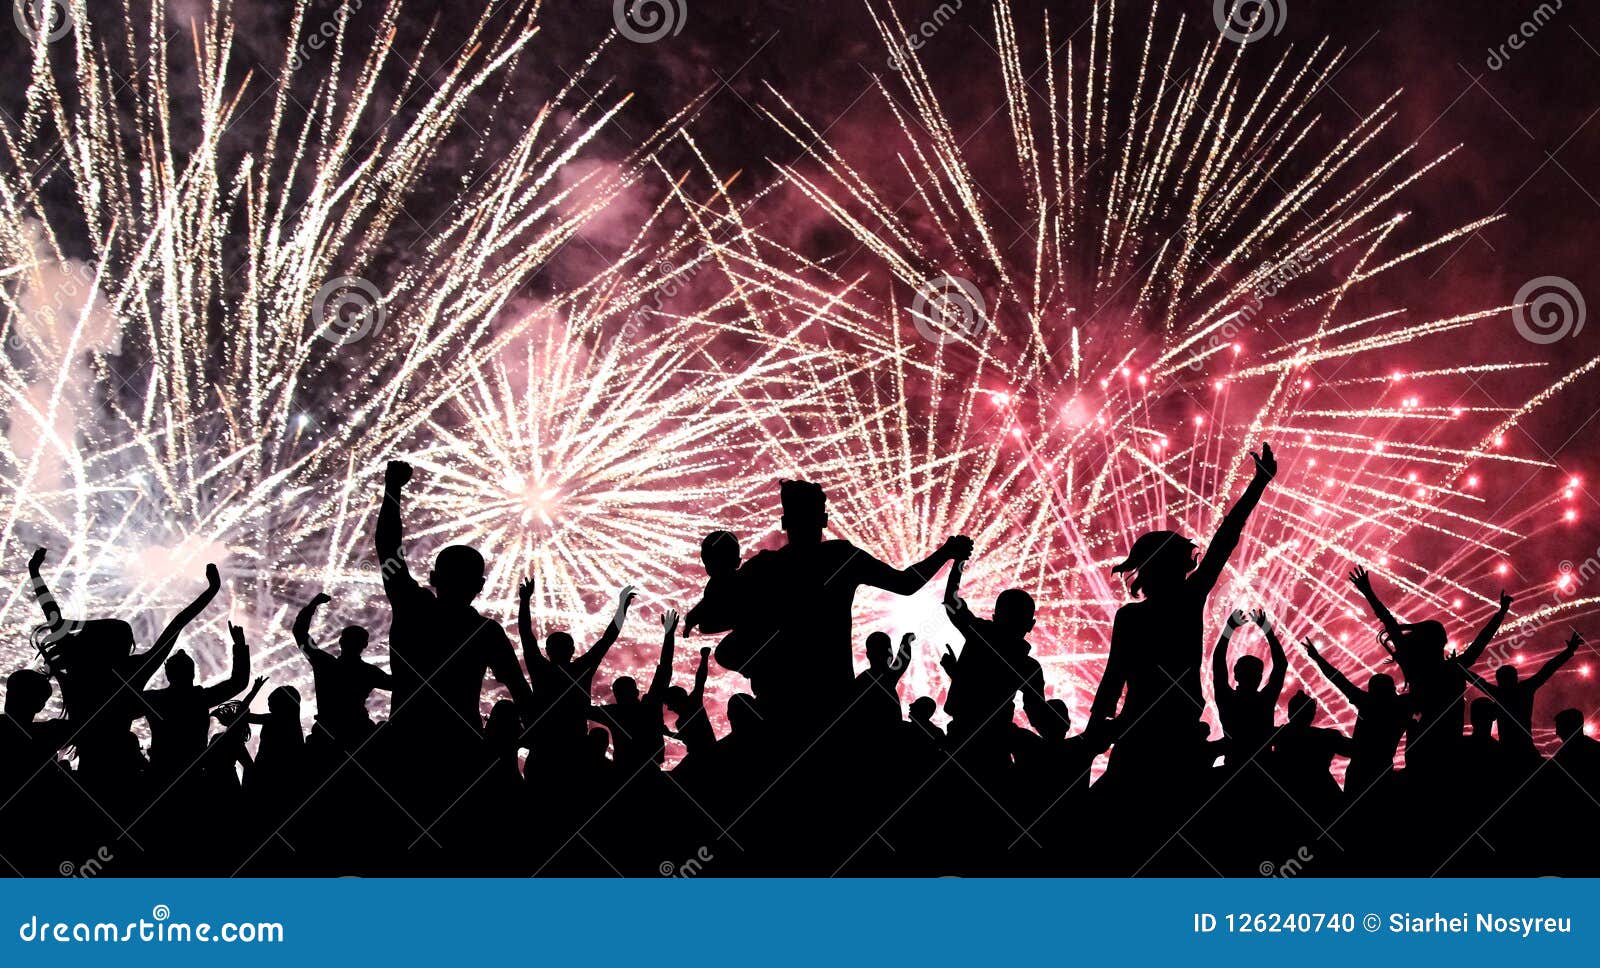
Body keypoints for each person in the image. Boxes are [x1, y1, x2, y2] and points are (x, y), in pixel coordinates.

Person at [1091, 443, 1278, 786]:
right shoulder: (1188, 600)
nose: (1189, 567)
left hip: (1139, 734)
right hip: (1175, 736)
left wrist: (1092, 735)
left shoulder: (1132, 616)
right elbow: (1225, 539)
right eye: (1182, 561)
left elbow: (1112, 682)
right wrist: (1258, 485)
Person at [715, 479, 971, 727]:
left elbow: (719, 626)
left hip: (780, 701)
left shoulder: (764, 567)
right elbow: (905, 583)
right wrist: (946, 553)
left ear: (785, 522)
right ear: (823, 521)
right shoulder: (842, 557)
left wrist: (758, 663)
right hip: (833, 698)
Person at [376, 460, 536, 746]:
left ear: (435, 577)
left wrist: (392, 490)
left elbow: (388, 549)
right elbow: (522, 695)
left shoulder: (410, 606)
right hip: (462, 749)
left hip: (404, 743)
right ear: (480, 586)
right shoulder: (487, 632)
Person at [29, 549, 222, 781]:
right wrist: (211, 591)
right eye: (128, 640)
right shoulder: (134, 670)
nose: (132, 645)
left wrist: (35, 573)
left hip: (90, 763)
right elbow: (178, 623)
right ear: (119, 645)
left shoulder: (80, 668)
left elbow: (54, 617)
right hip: (122, 766)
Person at [1349, 568, 1512, 772]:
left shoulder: (1416, 668)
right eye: (1442, 637)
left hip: (1423, 744)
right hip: (1446, 747)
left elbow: (1389, 623)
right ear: (1437, 642)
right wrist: (1501, 613)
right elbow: (1481, 641)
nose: (1445, 640)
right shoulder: (1453, 668)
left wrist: (1368, 592)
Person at [941, 557, 1048, 771]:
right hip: (994, 747)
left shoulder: (978, 634)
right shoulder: (1028, 667)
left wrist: (959, 561)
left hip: (959, 740)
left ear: (995, 616)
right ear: (1031, 625)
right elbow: (1039, 717)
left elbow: (952, 602)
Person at [519, 576, 637, 767]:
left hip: (543, 748)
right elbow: (607, 638)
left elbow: (526, 634)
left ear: (547, 651)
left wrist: (524, 601)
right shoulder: (581, 669)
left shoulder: (541, 669)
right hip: (575, 748)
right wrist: (622, 606)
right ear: (572, 650)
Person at [140, 623, 252, 777]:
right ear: (192, 674)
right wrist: (239, 645)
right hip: (193, 774)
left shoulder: (153, 699)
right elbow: (238, 682)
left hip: (160, 772)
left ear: (168, 674)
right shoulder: (200, 698)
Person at [1301, 635, 1409, 795]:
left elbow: (1338, 680)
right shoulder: (1403, 707)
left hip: (1359, 770)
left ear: (1373, 691)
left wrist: (1317, 658)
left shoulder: (1368, 702)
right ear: (1392, 689)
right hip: (1383, 768)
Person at [1461, 631, 1581, 763]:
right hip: (1525, 750)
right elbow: (1547, 670)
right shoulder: (1524, 689)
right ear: (1515, 678)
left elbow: (1478, 681)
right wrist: (1568, 652)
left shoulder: (1500, 693)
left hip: (1507, 752)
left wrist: (1459, 667)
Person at [292, 593, 392, 747]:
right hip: (358, 734)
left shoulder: (324, 663)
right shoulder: (368, 671)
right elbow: (402, 684)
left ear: (340, 642)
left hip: (327, 736)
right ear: (365, 645)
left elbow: (299, 633)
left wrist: (313, 604)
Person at [591, 609, 678, 774]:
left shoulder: (613, 713)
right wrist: (669, 635)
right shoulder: (649, 706)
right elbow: (665, 670)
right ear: (636, 692)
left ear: (616, 695)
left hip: (623, 771)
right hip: (649, 770)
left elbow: (577, 709)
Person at [1211, 608, 1287, 767]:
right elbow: (1281, 665)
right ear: (1260, 678)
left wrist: (1229, 629)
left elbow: (1218, 662)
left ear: (1236, 676)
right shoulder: (1265, 700)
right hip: (1265, 767)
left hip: (1234, 765)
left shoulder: (1227, 698)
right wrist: (1267, 630)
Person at [663, 647, 716, 761]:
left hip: (706, 754)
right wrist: (668, 733)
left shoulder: (694, 702)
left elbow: (700, 678)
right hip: (699, 754)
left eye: (669, 704)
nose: (669, 708)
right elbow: (686, 739)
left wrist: (705, 657)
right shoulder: (681, 720)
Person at [852, 631, 914, 727]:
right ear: (890, 654)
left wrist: (906, 640)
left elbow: (902, 660)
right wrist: (906, 640)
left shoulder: (862, 679)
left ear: (868, 655)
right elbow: (903, 659)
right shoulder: (885, 676)